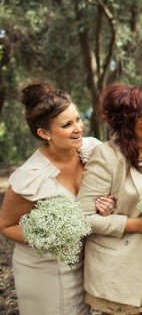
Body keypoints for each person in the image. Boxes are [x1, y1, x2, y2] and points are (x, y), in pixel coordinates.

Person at [0, 82, 113, 315]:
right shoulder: (29, 177)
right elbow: (6, 225)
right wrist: (49, 236)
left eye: (78, 119)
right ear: (44, 133)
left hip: (85, 262)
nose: (78, 128)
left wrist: (109, 203)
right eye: (67, 125)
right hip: (43, 271)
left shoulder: (93, 151)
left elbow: (109, 192)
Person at [77, 84, 142, 315]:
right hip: (120, 268)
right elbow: (82, 217)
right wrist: (134, 225)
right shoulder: (107, 156)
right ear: (128, 125)